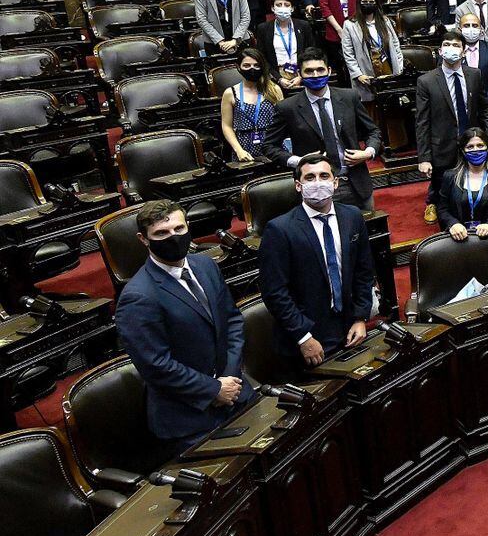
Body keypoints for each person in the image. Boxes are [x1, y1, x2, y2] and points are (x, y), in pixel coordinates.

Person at [115, 200, 253, 452]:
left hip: (236, 394)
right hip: (190, 418)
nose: (173, 237)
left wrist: (229, 378)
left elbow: (232, 322)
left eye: (179, 229)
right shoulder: (138, 296)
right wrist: (213, 389)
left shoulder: (206, 265)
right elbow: (156, 365)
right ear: (143, 239)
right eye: (161, 233)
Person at [258, 153, 376, 370]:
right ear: (298, 186)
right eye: (310, 178)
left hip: (349, 327)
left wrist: (360, 317)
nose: (318, 182)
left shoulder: (352, 216)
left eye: (324, 176)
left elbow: (364, 272)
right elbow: (275, 292)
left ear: (335, 182)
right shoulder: (279, 229)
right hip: (309, 336)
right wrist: (303, 337)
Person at [263, 50, 381, 211]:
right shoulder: (287, 108)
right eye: (309, 71)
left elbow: (373, 131)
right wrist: (298, 161)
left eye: (320, 70)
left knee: (364, 232)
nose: (315, 75)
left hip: (354, 182)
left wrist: (368, 152)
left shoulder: (349, 97)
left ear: (329, 71)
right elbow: (269, 146)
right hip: (315, 187)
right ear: (300, 74)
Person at [417, 30, 486, 224]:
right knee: (443, 193)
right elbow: (422, 122)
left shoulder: (474, 75)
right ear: (440, 51)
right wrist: (424, 157)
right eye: (447, 45)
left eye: (456, 45)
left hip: (470, 144)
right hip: (442, 146)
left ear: (464, 52)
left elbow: (484, 108)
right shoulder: (426, 81)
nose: (451, 49)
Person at [439, 127, 488, 237]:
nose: (475, 150)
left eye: (480, 146)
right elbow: (442, 209)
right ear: (463, 151)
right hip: (460, 238)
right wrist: (453, 224)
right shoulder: (450, 176)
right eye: (470, 147)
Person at [339, 0, 403, 104]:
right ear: (359, 4)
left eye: (371, 2)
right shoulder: (350, 25)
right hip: (365, 74)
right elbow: (348, 53)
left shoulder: (385, 21)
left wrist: (399, 67)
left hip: (389, 70)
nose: (368, 4)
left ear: (376, 4)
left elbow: (396, 45)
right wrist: (358, 74)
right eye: (364, 2)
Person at [220, 49, 281, 162]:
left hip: (273, 146)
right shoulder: (230, 93)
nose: (252, 69)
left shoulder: (274, 90)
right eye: (247, 65)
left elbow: (283, 121)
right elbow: (226, 126)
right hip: (244, 149)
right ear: (238, 67)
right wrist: (238, 150)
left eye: (256, 65)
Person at [257, 0, 313, 89]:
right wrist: (279, 78)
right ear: (273, 8)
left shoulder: (303, 26)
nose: (282, 7)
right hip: (275, 75)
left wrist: (301, 76)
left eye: (286, 5)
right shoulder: (263, 28)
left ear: (292, 8)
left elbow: (311, 52)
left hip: (301, 72)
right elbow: (262, 58)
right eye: (279, 5)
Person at [456, 8, 488, 114]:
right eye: (466, 26)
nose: (471, 29)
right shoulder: (453, 51)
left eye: (475, 26)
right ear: (459, 29)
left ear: (481, 29)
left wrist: (486, 102)